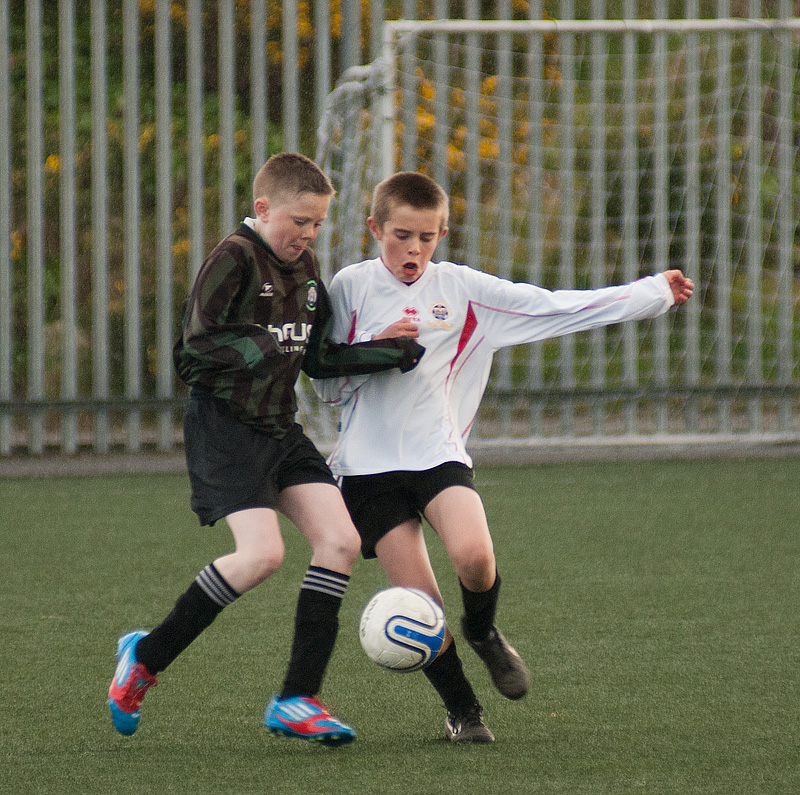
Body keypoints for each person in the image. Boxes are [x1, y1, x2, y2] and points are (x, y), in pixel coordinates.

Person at [313, 171, 694, 744]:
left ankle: (484, 633)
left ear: (443, 233)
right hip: (366, 470)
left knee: (474, 557)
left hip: (437, 454)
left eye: (426, 236)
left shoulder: (463, 289)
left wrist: (652, 293)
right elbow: (327, 388)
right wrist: (379, 349)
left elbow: (554, 308)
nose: (413, 249)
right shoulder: (349, 286)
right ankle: (465, 714)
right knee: (422, 609)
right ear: (374, 228)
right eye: (400, 236)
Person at [107, 153, 423, 747]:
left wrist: (384, 352)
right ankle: (144, 658)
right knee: (262, 556)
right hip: (224, 430)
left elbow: (320, 359)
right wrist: (262, 345)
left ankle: (297, 698)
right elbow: (194, 350)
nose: (306, 235)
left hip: (281, 429)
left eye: (317, 224)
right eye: (298, 221)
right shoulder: (234, 258)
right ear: (262, 209)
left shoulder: (305, 269)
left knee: (341, 541)